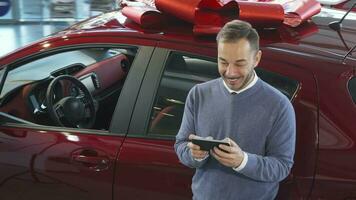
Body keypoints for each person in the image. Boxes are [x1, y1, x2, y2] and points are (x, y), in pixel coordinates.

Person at [174, 20, 296, 200]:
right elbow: (180, 145)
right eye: (223, 62)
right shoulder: (198, 94)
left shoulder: (279, 106)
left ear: (257, 59)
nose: (230, 72)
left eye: (239, 63)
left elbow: (282, 167)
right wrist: (194, 155)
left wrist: (242, 161)